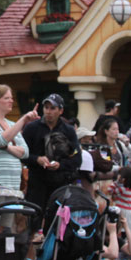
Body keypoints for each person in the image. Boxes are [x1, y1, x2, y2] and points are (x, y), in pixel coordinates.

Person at [23, 93, 81, 232]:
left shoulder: (68, 130)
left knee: (56, 221)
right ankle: (31, 252)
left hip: (59, 182)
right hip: (37, 181)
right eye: (46, 107)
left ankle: (50, 252)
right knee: (32, 219)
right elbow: (22, 154)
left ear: (60, 111)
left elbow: (77, 158)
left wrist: (60, 165)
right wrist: (37, 159)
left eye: (53, 108)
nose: (48, 111)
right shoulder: (32, 128)